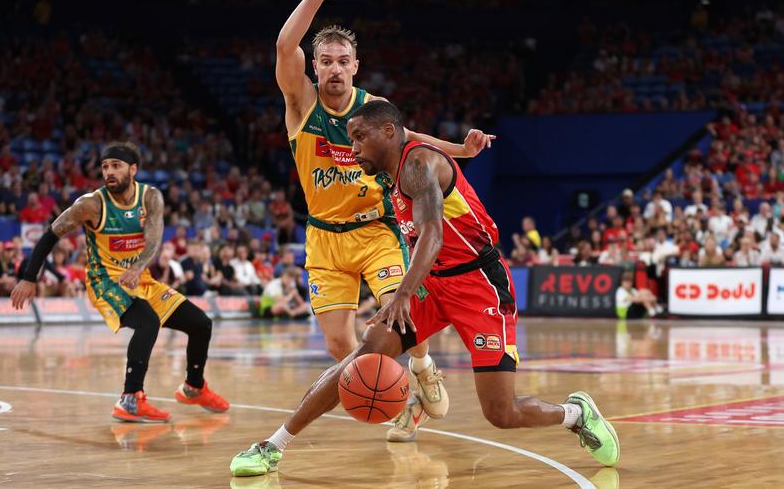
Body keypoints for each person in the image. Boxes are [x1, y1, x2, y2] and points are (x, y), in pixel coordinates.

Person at [229, 101, 619, 477]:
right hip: (434, 284)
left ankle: (575, 414)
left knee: (502, 413)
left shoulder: (417, 164)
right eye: (351, 139)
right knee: (367, 353)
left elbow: (432, 235)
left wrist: (401, 294)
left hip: (479, 284)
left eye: (359, 138)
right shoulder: (391, 169)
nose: (353, 148)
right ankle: (273, 445)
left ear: (387, 132)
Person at [274, 0, 493, 440]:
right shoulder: (302, 105)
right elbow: (284, 44)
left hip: (376, 231)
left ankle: (424, 367)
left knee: (400, 315)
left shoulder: (372, 112)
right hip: (324, 240)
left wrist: (461, 149)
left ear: (356, 66)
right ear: (315, 66)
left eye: (342, 61)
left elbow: (411, 136)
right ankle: (399, 400)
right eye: (325, 60)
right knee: (340, 346)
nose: (334, 68)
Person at [10, 142, 229, 422]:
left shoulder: (151, 198)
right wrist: (29, 277)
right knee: (148, 322)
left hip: (140, 278)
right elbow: (51, 234)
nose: (109, 172)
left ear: (133, 170)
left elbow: (154, 240)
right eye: (105, 167)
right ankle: (130, 399)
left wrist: (138, 268)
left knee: (201, 324)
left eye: (116, 166)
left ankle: (194, 387)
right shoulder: (90, 204)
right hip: (105, 282)